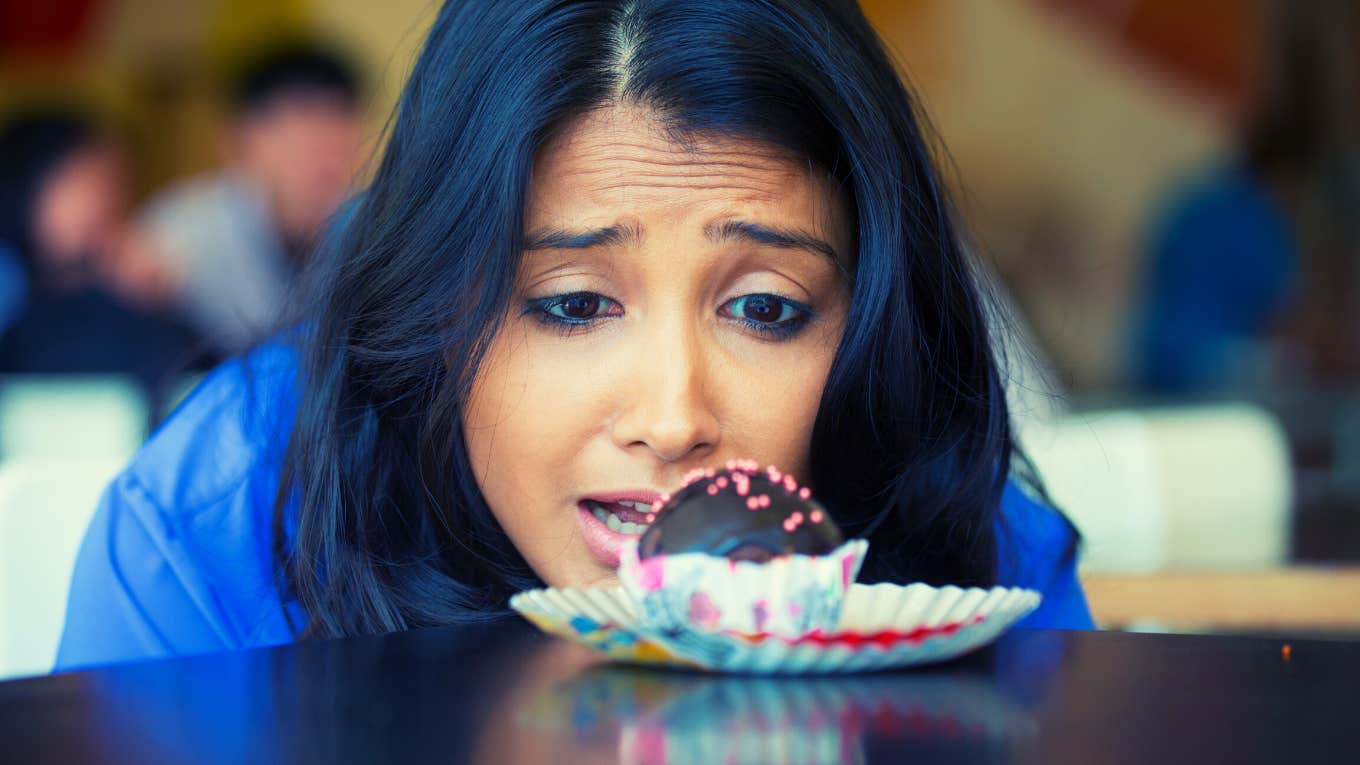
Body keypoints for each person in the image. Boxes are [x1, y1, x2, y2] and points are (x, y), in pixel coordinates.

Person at [55, 0, 1093, 671]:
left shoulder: (951, 530)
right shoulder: (218, 532)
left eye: (765, 309)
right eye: (572, 303)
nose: (673, 416)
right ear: (429, 303)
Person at [134, 40, 364, 355]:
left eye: (340, 117)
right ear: (239, 139)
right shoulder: (180, 231)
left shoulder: (370, 225)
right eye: (302, 118)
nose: (326, 144)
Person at [0, 107, 195, 394]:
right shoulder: (11, 287)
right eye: (79, 180)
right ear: (24, 186)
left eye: (115, 184)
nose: (104, 202)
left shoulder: (135, 297)